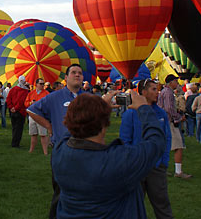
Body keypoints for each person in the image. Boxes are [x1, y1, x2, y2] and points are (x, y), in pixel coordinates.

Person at [52, 91, 165, 218]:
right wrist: (144, 108)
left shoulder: (60, 151)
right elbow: (156, 142)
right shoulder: (116, 161)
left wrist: (96, 109)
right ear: (104, 125)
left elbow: (73, 129)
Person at [28, 64, 114, 219]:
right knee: (61, 191)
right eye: (73, 72)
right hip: (63, 150)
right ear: (66, 78)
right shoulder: (54, 97)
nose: (77, 75)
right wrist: (49, 125)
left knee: (85, 191)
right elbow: (32, 109)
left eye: (80, 73)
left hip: (87, 150)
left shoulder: (88, 98)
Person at [120, 79, 173, 219]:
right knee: (134, 204)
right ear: (143, 92)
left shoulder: (160, 114)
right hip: (136, 166)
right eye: (154, 89)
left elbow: (166, 138)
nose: (157, 92)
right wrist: (131, 162)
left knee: (162, 203)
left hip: (156, 166)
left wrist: (163, 161)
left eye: (157, 89)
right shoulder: (130, 114)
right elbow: (125, 140)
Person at [158, 74, 192, 179]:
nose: (177, 84)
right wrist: (178, 117)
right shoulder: (168, 92)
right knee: (178, 146)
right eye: (176, 82)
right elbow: (169, 108)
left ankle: (160, 169)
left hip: (163, 121)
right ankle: (178, 172)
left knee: (164, 146)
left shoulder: (163, 92)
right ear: (171, 82)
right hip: (170, 121)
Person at [25, 78, 50, 155]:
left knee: (43, 134)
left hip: (41, 116)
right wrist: (30, 103)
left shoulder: (46, 93)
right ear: (36, 84)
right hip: (32, 116)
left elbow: (49, 104)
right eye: (41, 84)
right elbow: (25, 103)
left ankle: (45, 152)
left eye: (43, 84)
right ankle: (31, 150)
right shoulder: (31, 93)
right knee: (33, 134)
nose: (42, 85)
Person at [6, 75, 29, 148]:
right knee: (19, 128)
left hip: (13, 111)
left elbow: (8, 99)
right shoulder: (25, 91)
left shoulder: (13, 89)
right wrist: (15, 108)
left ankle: (14, 142)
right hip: (20, 111)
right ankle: (15, 143)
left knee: (14, 127)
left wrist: (11, 107)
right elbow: (21, 102)